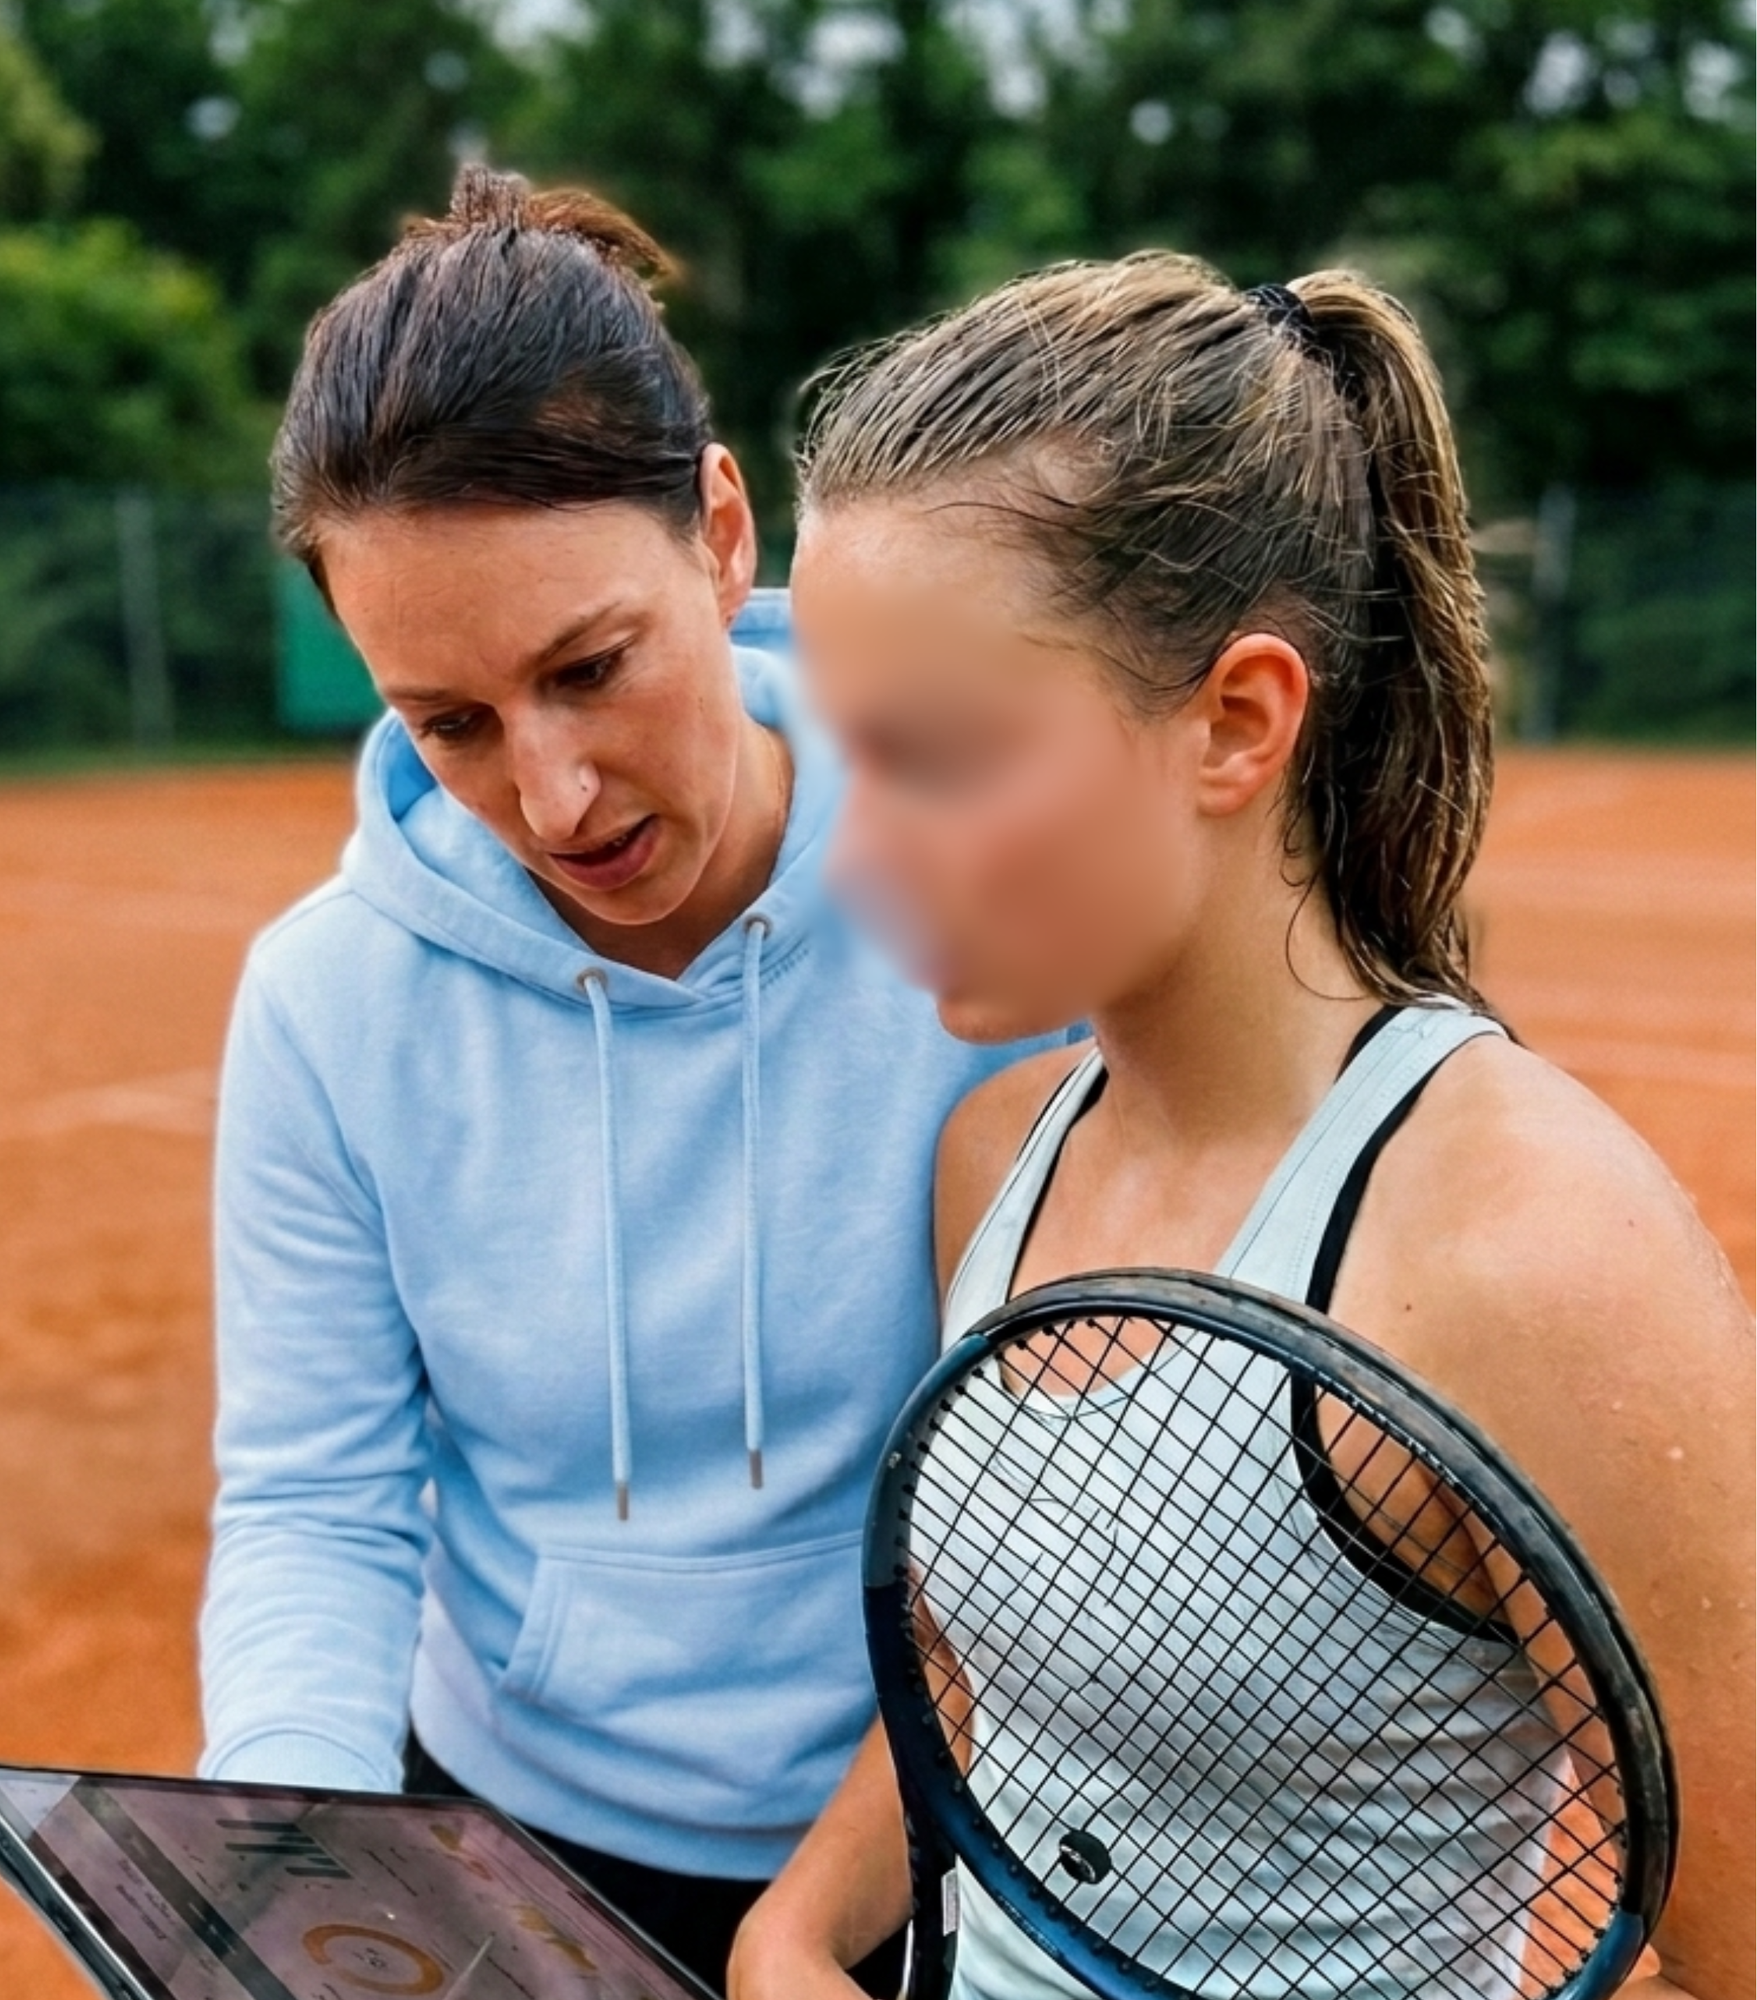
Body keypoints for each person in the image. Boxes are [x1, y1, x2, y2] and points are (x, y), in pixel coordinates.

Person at [729, 255, 1753, 1999]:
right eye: (852, 756)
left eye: (944, 760)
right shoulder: (996, 1154)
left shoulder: (1535, 1259)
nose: (856, 857)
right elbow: (986, 1675)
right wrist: (799, 1932)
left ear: (1237, 721)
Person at [196, 166, 1058, 1995]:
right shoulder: (326, 1006)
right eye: (450, 723)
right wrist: (293, 1873)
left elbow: (1058, 1508)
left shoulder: (995, 891)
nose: (556, 796)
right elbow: (316, 1500)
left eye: (594, 667)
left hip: (923, 1831)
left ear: (724, 534)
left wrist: (827, 1910)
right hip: (507, 1840)